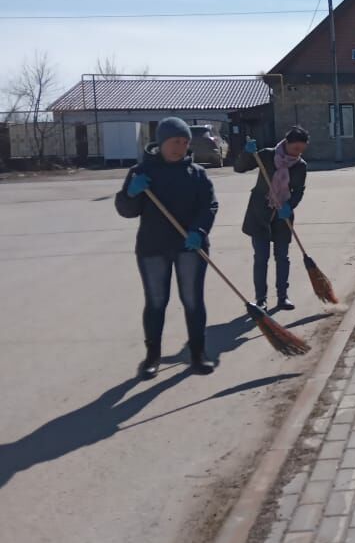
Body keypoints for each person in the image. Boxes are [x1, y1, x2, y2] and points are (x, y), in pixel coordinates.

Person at [115, 117, 219, 379]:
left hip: (189, 247)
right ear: (161, 142)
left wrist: (199, 231)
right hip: (153, 248)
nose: (180, 147)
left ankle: (198, 353)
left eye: (184, 142)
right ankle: (152, 356)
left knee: (193, 301)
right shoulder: (141, 173)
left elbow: (209, 206)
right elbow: (127, 210)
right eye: (175, 141)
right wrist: (131, 194)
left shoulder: (196, 174)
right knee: (156, 301)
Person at [235, 127, 309, 311]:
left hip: (282, 217)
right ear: (287, 142)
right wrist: (247, 153)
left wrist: (290, 205)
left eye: (301, 149)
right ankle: (261, 299)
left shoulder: (300, 166)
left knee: (282, 257)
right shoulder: (267, 156)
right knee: (261, 258)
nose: (297, 153)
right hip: (260, 214)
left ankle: (283, 297)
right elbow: (240, 168)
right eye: (295, 148)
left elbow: (298, 190)